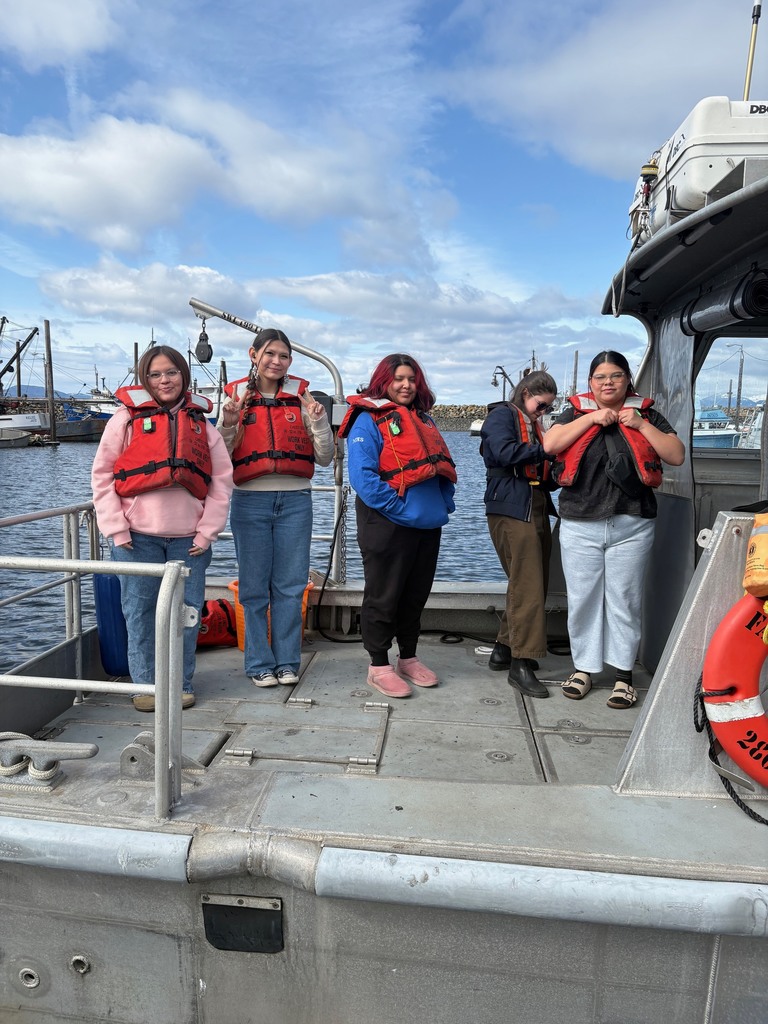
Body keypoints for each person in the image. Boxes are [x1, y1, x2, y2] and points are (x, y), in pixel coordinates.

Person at [91, 345, 234, 711]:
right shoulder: (123, 420)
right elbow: (102, 476)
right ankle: (145, 686)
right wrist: (116, 529)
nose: (164, 380)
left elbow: (221, 481)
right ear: (145, 379)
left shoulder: (203, 426)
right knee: (138, 614)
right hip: (135, 539)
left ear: (184, 376)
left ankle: (181, 683)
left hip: (190, 542)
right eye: (155, 374)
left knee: (185, 615)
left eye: (171, 372)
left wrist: (207, 532)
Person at [543, 350, 685, 708]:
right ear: (590, 383)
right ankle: (584, 669)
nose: (608, 382)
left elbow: (676, 454)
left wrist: (640, 425)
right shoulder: (574, 413)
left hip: (632, 523)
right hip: (580, 522)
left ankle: (623, 675)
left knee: (625, 599)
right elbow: (551, 444)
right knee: (583, 600)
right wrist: (592, 420)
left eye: (616, 376)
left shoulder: (648, 414)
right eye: (600, 377)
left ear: (628, 380)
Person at [219, 328, 333, 687]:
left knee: (290, 585)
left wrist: (317, 420)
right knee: (253, 588)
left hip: (296, 500)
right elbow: (219, 457)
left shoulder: (303, 398)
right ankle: (257, 664)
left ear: (290, 362)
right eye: (270, 354)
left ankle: (286, 662)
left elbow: (326, 458)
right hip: (250, 500)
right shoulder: (235, 397)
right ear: (254, 355)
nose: (276, 361)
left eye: (283, 356)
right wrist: (228, 422)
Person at [338, 354, 456, 698]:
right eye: (399, 379)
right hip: (387, 523)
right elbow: (363, 478)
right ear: (383, 382)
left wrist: (444, 504)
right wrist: (396, 508)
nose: (406, 385)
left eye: (412, 379)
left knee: (415, 596)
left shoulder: (423, 420)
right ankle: (378, 666)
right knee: (383, 595)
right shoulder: (367, 420)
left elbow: (441, 469)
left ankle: (408, 657)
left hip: (427, 524)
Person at [480, 369, 558, 699]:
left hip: (535, 502)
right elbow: (501, 453)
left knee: (533, 580)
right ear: (525, 393)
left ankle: (503, 649)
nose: (544, 413)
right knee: (527, 584)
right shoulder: (500, 417)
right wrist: (547, 450)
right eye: (541, 406)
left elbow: (541, 468)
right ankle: (521, 663)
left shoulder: (536, 426)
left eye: (548, 409)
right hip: (512, 506)